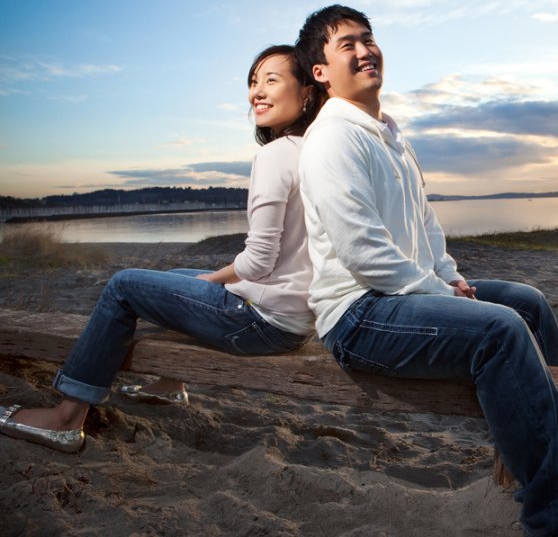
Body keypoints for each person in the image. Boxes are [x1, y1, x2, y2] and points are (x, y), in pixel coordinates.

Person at [294, 5, 558, 537]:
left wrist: (449, 276)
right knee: (500, 330)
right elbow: (362, 253)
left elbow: (425, 223)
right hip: (358, 314)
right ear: (321, 72)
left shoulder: (389, 134)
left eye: (368, 39)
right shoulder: (332, 138)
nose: (365, 51)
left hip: (403, 294)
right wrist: (439, 293)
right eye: (347, 45)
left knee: (527, 302)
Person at [1, 44, 320, 454]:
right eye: (253, 82)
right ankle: (170, 384)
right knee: (171, 279)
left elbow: (258, 261)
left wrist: (214, 278)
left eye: (271, 81)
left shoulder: (275, 155)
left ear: (306, 91)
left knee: (124, 285)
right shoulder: (316, 152)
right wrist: (209, 280)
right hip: (293, 320)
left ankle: (66, 417)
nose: (256, 92)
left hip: (260, 323)